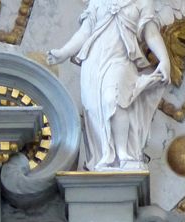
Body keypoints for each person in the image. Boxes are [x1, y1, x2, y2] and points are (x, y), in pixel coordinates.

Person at [47, 0, 171, 171]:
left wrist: (164, 60)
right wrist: (63, 53)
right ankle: (105, 156)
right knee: (94, 109)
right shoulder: (97, 1)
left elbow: (151, 34)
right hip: (93, 61)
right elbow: (84, 32)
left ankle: (122, 154)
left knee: (114, 100)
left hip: (120, 60)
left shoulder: (142, 2)